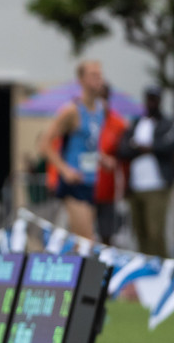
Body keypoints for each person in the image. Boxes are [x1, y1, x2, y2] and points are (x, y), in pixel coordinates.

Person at [39, 60, 108, 241]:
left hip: (91, 180)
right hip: (74, 182)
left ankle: (71, 264)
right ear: (82, 80)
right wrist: (65, 170)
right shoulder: (72, 112)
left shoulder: (101, 110)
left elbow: (89, 144)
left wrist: (102, 158)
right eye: (93, 75)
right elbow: (44, 144)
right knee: (87, 239)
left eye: (99, 75)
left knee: (81, 241)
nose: (98, 79)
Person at [117, 85, 174, 257]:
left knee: (154, 231)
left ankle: (162, 270)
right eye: (149, 98)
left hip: (157, 185)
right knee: (139, 232)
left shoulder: (167, 124)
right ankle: (146, 269)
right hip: (135, 186)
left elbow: (168, 147)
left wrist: (144, 147)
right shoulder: (136, 124)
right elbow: (123, 150)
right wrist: (143, 148)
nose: (151, 102)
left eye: (155, 99)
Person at [95, 84, 128, 246]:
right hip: (83, 188)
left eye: (104, 98)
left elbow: (125, 157)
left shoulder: (118, 124)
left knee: (107, 234)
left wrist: (127, 185)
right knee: (83, 234)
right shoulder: (80, 118)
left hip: (108, 189)